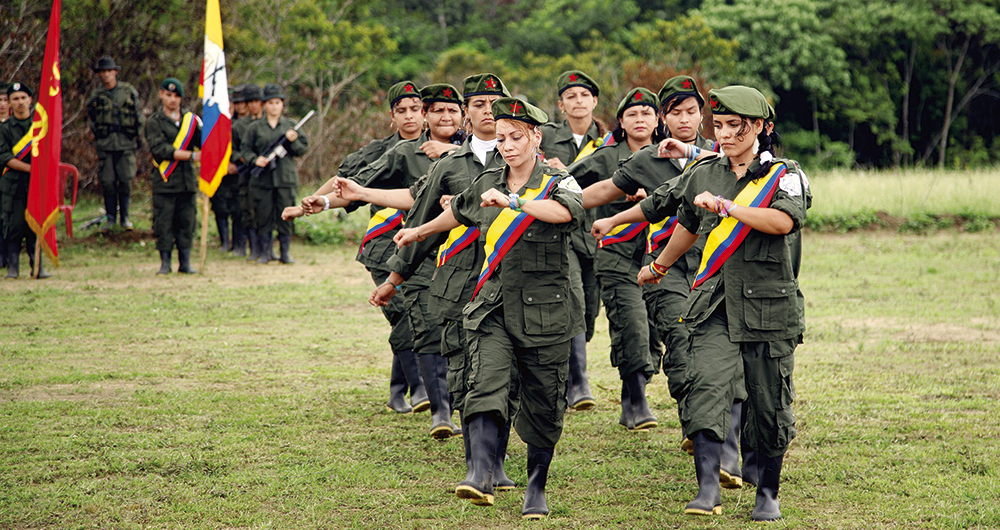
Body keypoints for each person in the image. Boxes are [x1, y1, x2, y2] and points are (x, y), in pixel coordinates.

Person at [395, 97, 585, 519]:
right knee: (485, 381)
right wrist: (419, 231)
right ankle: (479, 474)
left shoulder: (559, 180)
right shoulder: (488, 179)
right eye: (501, 138)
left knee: (544, 402)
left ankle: (537, 486)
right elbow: (460, 212)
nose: (508, 146)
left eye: (516, 137)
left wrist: (514, 203)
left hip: (546, 311)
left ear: (536, 136)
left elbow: (567, 213)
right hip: (492, 304)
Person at [636, 85, 810, 520]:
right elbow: (688, 226)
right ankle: (707, 488)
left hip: (768, 306)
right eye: (721, 125)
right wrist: (659, 266)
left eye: (737, 126)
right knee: (705, 386)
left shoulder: (786, 175)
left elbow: (784, 220)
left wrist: (730, 208)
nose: (726, 134)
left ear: (762, 128)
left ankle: (767, 491)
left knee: (769, 404)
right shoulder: (704, 171)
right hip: (713, 303)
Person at [342, 75, 517, 484]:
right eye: (478, 104)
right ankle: (479, 463)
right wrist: (394, 276)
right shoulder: (449, 165)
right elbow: (417, 213)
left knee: (508, 373)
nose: (487, 110)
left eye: (495, 102)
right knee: (466, 368)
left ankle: (499, 459)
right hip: (458, 281)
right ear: (467, 114)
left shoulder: (524, 160)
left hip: (509, 282)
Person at [591, 76, 746, 486]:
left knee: (728, 355)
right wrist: (553, 192)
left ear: (702, 117)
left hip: (718, 268)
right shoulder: (646, 159)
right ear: (664, 118)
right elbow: (607, 187)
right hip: (668, 268)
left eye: (691, 111)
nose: (683, 119)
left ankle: (720, 441)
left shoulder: (725, 153)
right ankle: (697, 426)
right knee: (681, 343)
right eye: (675, 112)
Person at [323, 82, 466, 439]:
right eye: (436, 110)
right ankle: (437, 408)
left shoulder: (479, 152)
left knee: (461, 331)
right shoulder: (401, 153)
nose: (443, 115)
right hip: (413, 251)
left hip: (465, 255)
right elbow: (356, 186)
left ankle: (455, 399)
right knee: (419, 322)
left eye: (452, 110)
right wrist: (319, 202)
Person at [283, 80, 429, 414]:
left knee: (418, 315)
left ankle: (398, 389)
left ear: (425, 113)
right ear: (392, 116)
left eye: (415, 110)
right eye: (401, 111)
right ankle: (417, 388)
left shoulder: (440, 147)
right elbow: (342, 181)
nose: (409, 117)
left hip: (425, 244)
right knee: (401, 312)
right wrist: (310, 204)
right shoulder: (379, 151)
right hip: (384, 245)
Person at [569, 87, 664, 430]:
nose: (640, 120)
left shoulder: (670, 156)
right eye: (632, 114)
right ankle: (638, 402)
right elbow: (566, 183)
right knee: (632, 326)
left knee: (653, 334)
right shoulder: (607, 156)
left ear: (658, 120)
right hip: (617, 255)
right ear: (621, 123)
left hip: (661, 255)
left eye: (647, 113)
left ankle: (630, 396)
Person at [541, 70, 604, 412]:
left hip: (600, 234)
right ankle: (578, 383)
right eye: (571, 96)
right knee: (574, 300)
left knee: (589, 311)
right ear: (561, 105)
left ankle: (567, 367)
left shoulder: (609, 138)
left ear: (594, 102)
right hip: (562, 234)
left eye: (584, 96)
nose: (578, 102)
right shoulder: (547, 137)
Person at [244, 83, 308, 265]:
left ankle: (285, 253)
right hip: (262, 180)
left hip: (285, 179)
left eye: (277, 102)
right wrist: (255, 160)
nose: (274, 106)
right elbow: (245, 150)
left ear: (282, 105)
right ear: (264, 105)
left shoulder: (291, 126)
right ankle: (265, 252)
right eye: (270, 102)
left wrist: (292, 142)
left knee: (286, 214)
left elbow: (302, 148)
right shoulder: (255, 127)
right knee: (263, 215)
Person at [143, 77, 202, 275]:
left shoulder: (191, 121)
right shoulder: (154, 122)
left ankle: (185, 262)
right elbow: (161, 150)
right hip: (165, 182)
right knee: (164, 222)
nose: (172, 100)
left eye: (177, 96)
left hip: (186, 182)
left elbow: (203, 142)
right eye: (168, 95)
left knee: (187, 222)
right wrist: (192, 156)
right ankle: (165, 263)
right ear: (161, 95)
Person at [86, 56, 142, 232]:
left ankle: (124, 218)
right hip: (106, 144)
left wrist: (138, 138)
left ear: (115, 72)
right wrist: (99, 134)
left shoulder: (127, 91)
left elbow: (138, 114)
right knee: (108, 182)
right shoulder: (97, 95)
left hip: (125, 143)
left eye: (109, 71)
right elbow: (91, 116)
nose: (106, 75)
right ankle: (111, 219)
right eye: (103, 72)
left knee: (125, 180)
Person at [1, 82, 50, 279]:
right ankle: (13, 268)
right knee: (14, 225)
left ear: (30, 100)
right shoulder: (5, 129)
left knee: (35, 225)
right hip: (13, 185)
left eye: (23, 98)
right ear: (10, 103)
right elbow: (4, 157)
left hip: (37, 185)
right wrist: (32, 169)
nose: (20, 102)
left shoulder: (40, 126)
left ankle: (37, 266)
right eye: (15, 99)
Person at [210, 85, 245, 251]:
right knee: (220, 207)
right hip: (219, 172)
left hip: (237, 172)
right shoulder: (213, 123)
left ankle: (238, 243)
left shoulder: (241, 124)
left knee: (238, 209)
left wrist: (235, 164)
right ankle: (224, 242)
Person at [230, 83, 263, 258]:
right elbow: (233, 150)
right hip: (248, 174)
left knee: (266, 212)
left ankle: (268, 250)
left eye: (257, 101)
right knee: (248, 212)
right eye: (250, 101)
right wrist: (244, 157)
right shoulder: (239, 126)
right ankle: (253, 249)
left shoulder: (270, 124)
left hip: (268, 175)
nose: (254, 105)